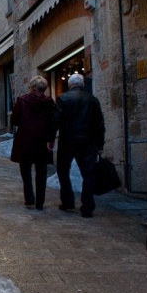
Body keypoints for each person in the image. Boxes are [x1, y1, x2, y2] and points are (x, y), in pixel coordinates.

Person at [48, 73, 105, 218]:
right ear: (83, 84)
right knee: (88, 174)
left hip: (67, 141)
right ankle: (87, 207)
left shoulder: (63, 98)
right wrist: (99, 143)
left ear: (69, 85)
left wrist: (51, 138)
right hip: (87, 142)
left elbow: (55, 120)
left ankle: (67, 202)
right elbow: (99, 124)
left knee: (63, 171)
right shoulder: (93, 100)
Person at [10, 76, 55, 210]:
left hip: (25, 139)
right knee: (41, 170)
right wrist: (50, 138)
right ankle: (40, 201)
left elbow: (15, 120)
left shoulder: (22, 100)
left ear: (32, 87)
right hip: (42, 140)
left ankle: (29, 198)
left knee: (25, 169)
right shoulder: (49, 102)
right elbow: (52, 122)